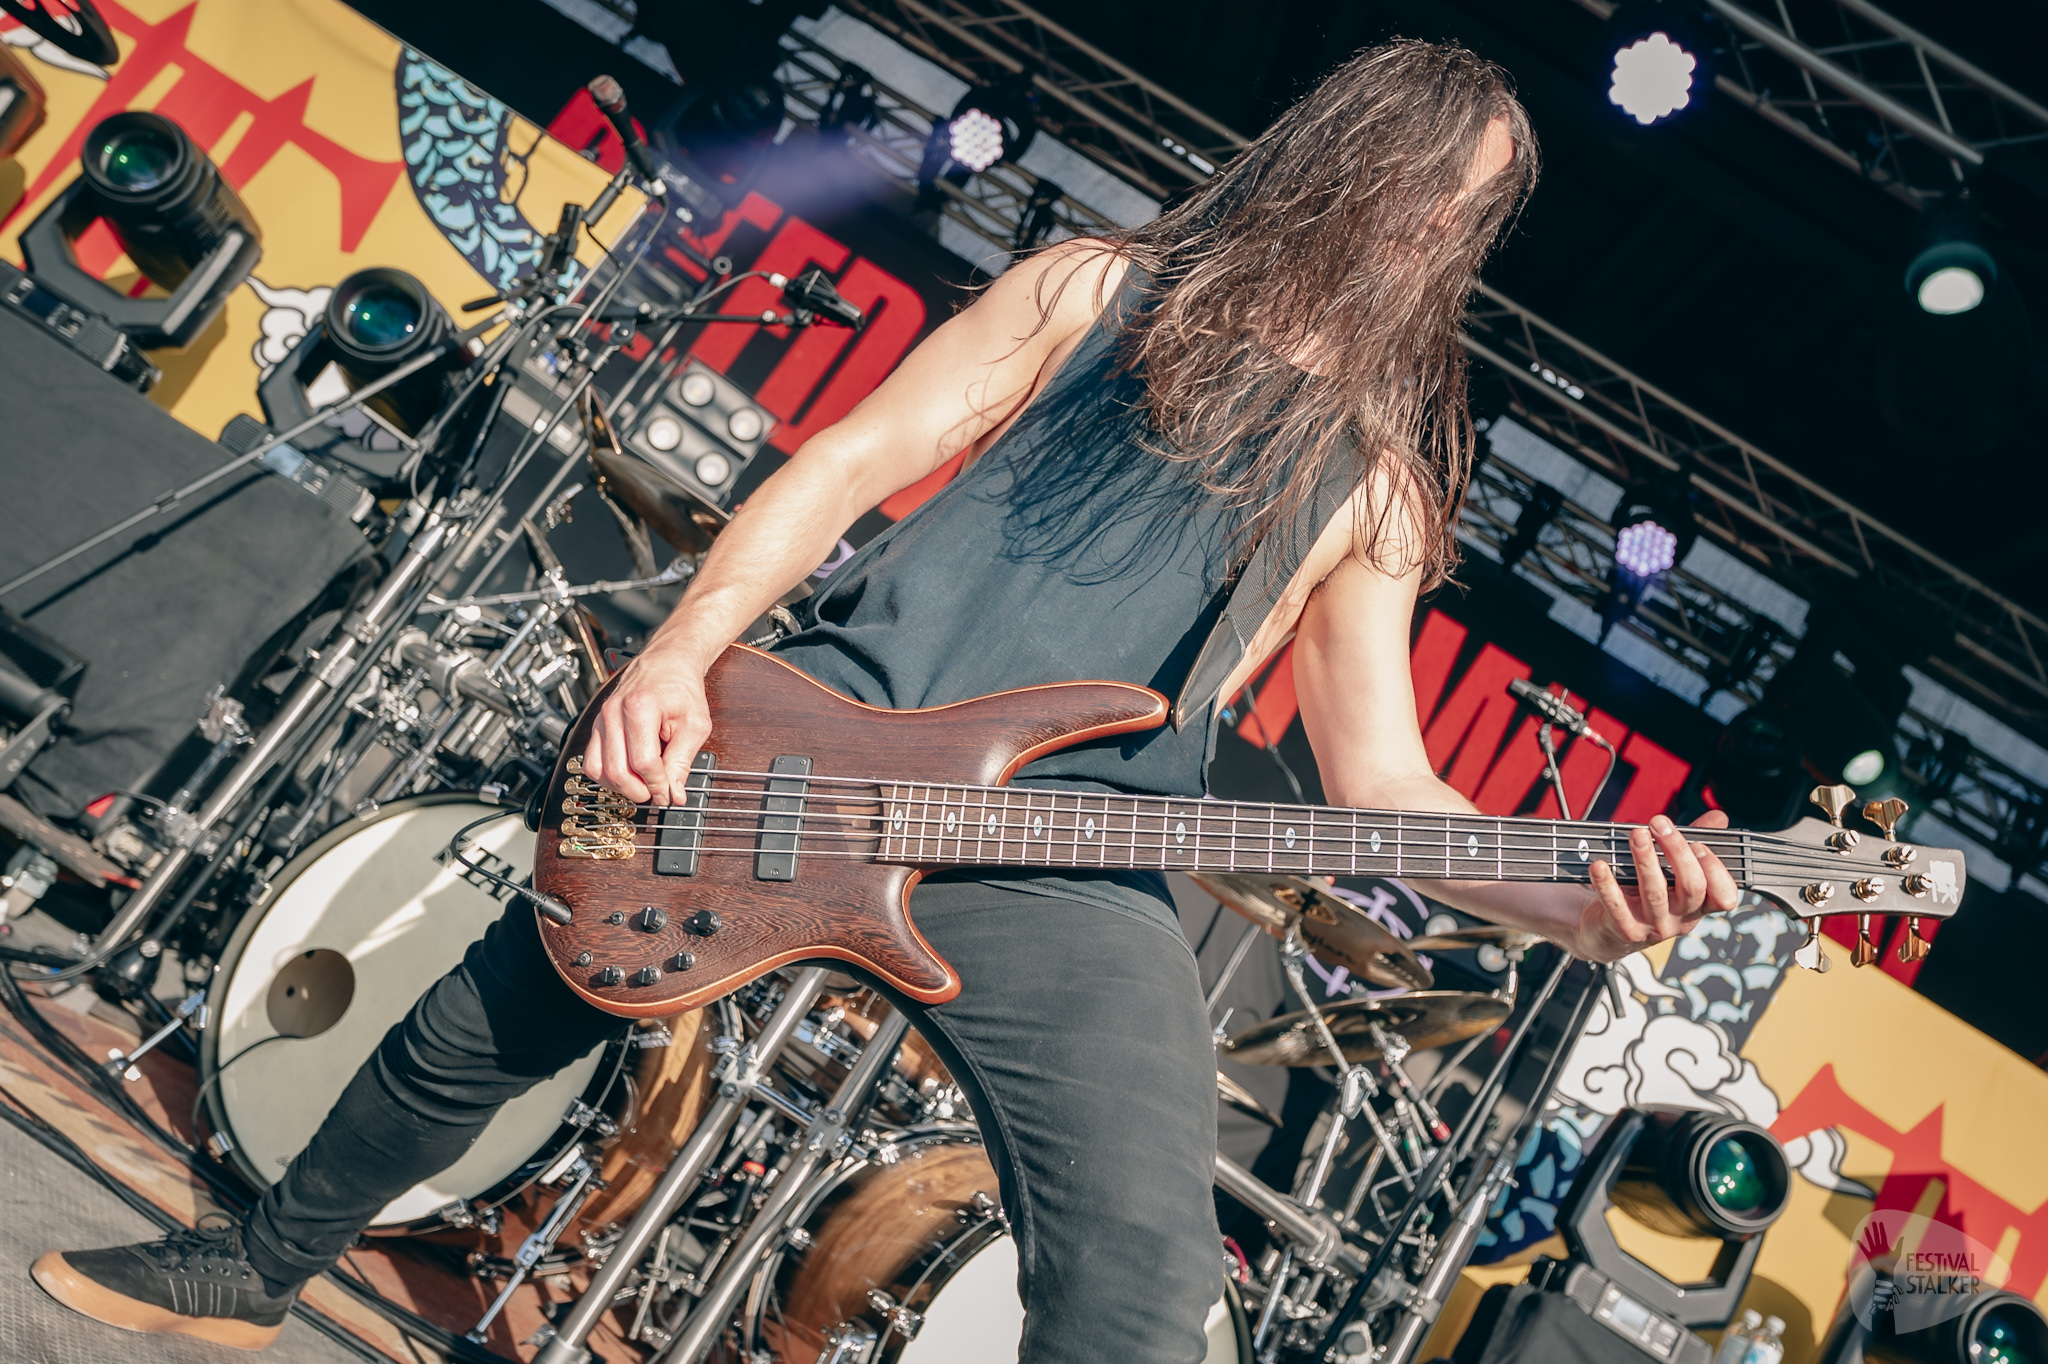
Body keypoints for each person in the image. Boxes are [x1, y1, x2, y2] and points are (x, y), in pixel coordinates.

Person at [33, 40, 1738, 1358]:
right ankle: (249, 1267)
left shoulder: (1377, 484)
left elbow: (1386, 788)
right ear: (1342, 159)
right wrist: (683, 652)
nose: (1435, 229)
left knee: (1143, 1284)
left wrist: (1574, 909)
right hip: (825, 734)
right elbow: (849, 459)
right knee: (509, 996)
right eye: (1428, 183)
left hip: (1071, 869)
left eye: (1472, 213)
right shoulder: (1094, 290)